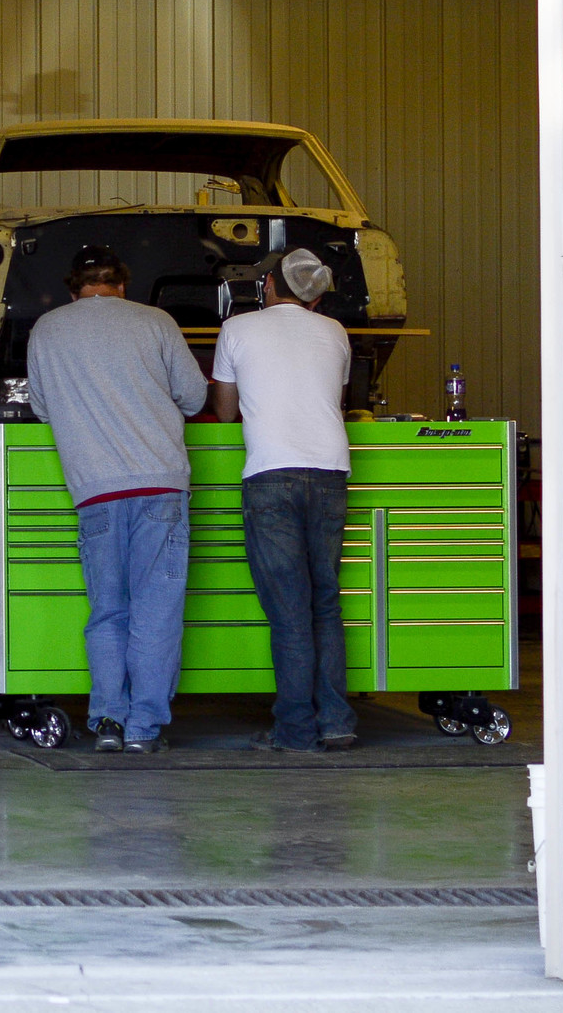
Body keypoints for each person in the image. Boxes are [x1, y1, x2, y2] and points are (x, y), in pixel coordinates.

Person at [24, 244, 208, 753]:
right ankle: (144, 731)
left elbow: (41, 409)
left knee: (108, 611)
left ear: (73, 287)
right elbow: (195, 398)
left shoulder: (48, 329)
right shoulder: (156, 322)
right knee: (157, 612)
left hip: (95, 491)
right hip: (162, 486)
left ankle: (107, 721)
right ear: (122, 284)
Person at [208, 247, 358, 753]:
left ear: (269, 284)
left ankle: (294, 731)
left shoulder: (238, 328)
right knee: (325, 604)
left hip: (272, 474)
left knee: (290, 612)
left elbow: (225, 413)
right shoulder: (336, 333)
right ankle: (336, 721)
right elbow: (332, 399)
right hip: (331, 471)